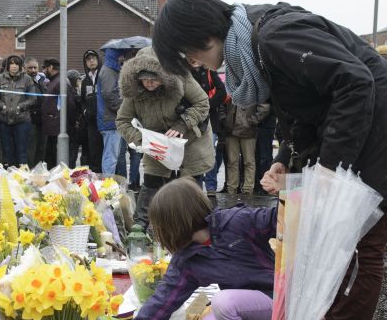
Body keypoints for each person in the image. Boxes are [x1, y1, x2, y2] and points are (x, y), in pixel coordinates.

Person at [151, 0, 387, 320]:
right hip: (364, 149)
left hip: (384, 149)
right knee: (341, 249)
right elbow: (307, 106)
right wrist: (289, 159)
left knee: (359, 251)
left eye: (187, 55)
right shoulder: (255, 47)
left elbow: (354, 84)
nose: (193, 63)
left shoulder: (275, 36)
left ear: (201, 37)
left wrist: (329, 168)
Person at [116, 178, 276, 320]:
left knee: (223, 301)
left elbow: (281, 217)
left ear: (172, 223)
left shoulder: (237, 221)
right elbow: (161, 303)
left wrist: (284, 191)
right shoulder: (187, 260)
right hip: (237, 309)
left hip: (277, 301)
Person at [115, 46, 214, 228]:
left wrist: (182, 125)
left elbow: (202, 103)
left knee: (189, 185)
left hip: (191, 141)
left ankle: (197, 227)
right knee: (152, 181)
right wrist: (143, 140)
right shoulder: (134, 93)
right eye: (144, 80)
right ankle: (140, 226)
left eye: (154, 79)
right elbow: (122, 121)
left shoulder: (182, 78)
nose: (149, 83)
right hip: (157, 144)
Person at [0, 55, 40, 167]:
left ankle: (21, 176)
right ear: (8, 66)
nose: (14, 66)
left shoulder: (27, 79)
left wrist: (20, 107)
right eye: (11, 64)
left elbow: (33, 99)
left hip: (22, 120)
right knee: (7, 152)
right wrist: (2, 106)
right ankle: (8, 176)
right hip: (4, 119)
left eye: (16, 64)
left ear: (20, 66)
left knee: (22, 151)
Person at [223, 98, 271, 194]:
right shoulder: (230, 85)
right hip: (231, 130)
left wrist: (251, 121)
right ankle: (232, 188)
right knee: (232, 161)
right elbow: (222, 104)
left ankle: (248, 189)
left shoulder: (253, 86)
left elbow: (265, 107)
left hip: (248, 131)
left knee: (249, 161)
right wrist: (224, 119)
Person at [194, 65, 229, 194]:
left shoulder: (209, 71)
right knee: (194, 155)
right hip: (191, 118)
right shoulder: (185, 70)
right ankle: (194, 187)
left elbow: (222, 91)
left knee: (210, 154)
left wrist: (207, 104)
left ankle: (210, 186)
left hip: (209, 119)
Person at [39, 58, 78, 168]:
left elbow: (69, 105)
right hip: (52, 128)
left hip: (58, 129)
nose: (44, 71)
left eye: (45, 68)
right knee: (50, 159)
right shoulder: (55, 81)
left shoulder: (60, 82)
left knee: (57, 161)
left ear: (50, 68)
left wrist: (69, 125)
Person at [97, 48, 127, 176]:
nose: (124, 58)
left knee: (112, 156)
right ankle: (106, 187)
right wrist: (123, 110)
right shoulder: (109, 71)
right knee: (111, 157)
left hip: (110, 120)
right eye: (123, 55)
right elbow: (109, 94)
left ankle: (108, 185)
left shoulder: (110, 69)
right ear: (118, 56)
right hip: (110, 121)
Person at [79, 50, 104, 172]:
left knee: (106, 152)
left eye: (93, 58)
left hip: (105, 121)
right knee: (93, 152)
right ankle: (96, 180)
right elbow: (82, 100)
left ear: (98, 60)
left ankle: (108, 180)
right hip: (91, 123)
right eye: (88, 59)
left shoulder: (103, 76)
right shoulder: (85, 81)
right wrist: (85, 111)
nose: (91, 61)